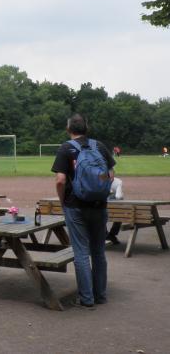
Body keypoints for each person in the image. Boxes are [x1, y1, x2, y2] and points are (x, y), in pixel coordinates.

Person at [51, 114, 115, 308]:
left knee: (81, 253)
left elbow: (60, 180)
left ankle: (87, 299)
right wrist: (97, 188)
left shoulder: (66, 148)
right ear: (86, 127)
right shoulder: (100, 146)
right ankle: (101, 296)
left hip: (75, 206)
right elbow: (111, 175)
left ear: (68, 129)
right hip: (99, 205)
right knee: (98, 252)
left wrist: (63, 201)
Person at [105, 177, 124, 245]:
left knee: (98, 214)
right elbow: (119, 197)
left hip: (102, 210)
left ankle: (105, 234)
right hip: (115, 211)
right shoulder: (118, 181)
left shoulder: (98, 179)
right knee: (121, 214)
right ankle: (112, 235)